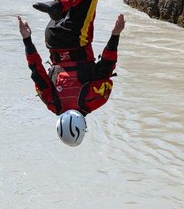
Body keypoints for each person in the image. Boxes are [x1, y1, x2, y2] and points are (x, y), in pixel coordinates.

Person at [17, 10, 125, 146]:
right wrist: (27, 39)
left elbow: (106, 66)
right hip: (52, 37)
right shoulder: (52, 103)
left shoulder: (94, 100)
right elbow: (36, 70)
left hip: (78, 36)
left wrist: (115, 35)